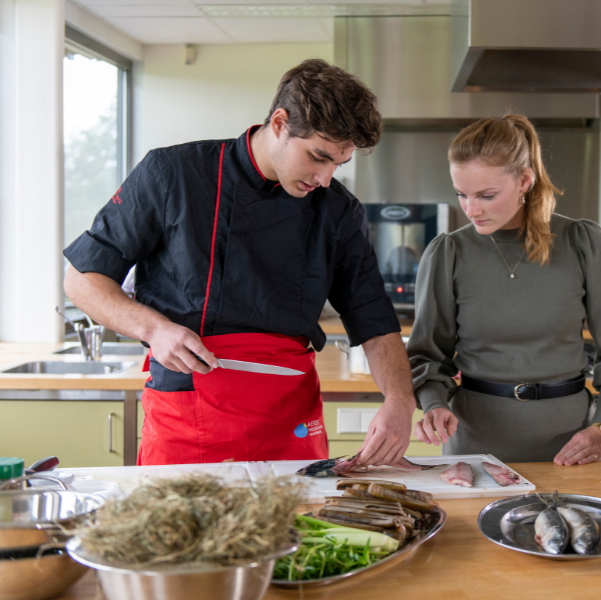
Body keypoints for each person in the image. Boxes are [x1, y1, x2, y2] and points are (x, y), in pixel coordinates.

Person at [63, 59, 416, 467]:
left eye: (338, 163)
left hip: (289, 417)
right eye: (318, 157)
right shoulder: (173, 174)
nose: (325, 177)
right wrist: (154, 329)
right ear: (280, 123)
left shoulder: (339, 211)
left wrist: (399, 400)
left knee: (296, 529)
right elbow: (82, 279)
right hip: (190, 405)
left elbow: (375, 322)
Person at [407, 115, 601, 465]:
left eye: (487, 195)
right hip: (475, 445)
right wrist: (434, 405)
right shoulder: (448, 252)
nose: (471, 210)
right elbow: (427, 356)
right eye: (462, 195)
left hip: (571, 445)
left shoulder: (584, 243)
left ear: (524, 180)